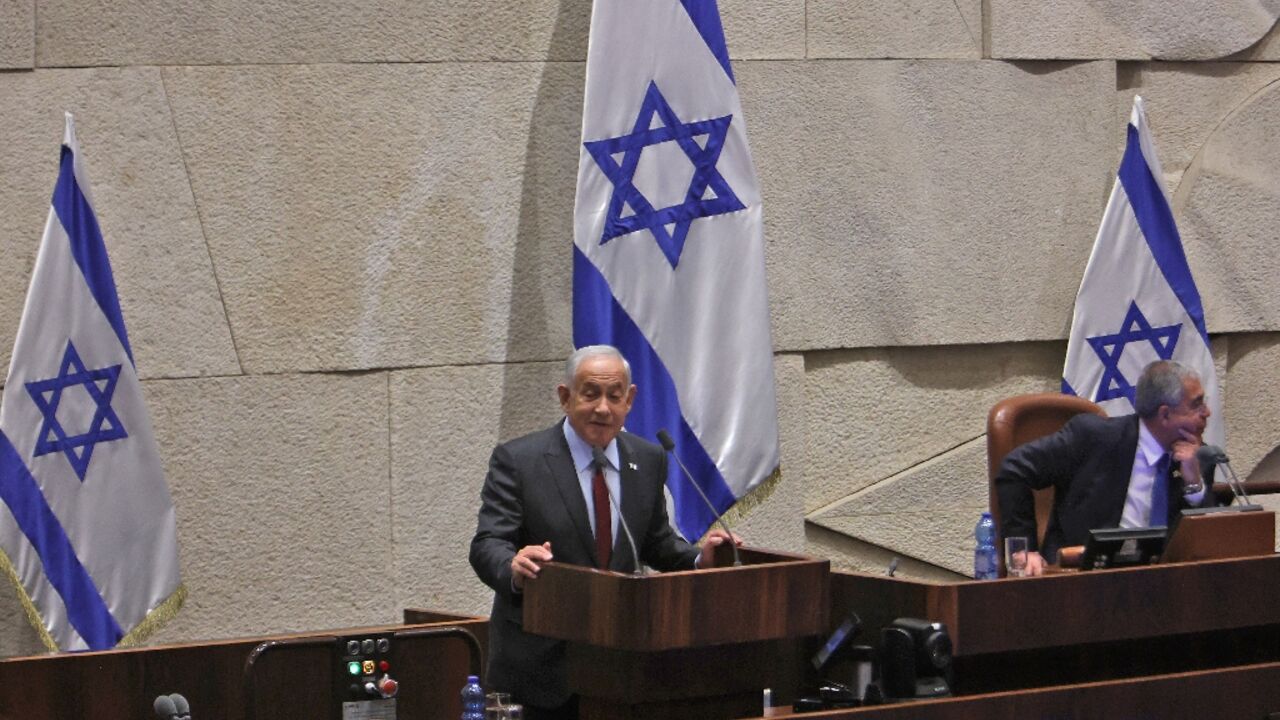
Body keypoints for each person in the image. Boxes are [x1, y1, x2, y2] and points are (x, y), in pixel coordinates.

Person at [469, 345, 738, 720]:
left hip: (619, 669)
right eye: (590, 393)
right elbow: (487, 544)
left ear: (630, 400)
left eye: (614, 396)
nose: (603, 408)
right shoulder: (520, 461)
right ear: (565, 397)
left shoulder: (647, 459)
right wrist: (513, 568)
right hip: (539, 671)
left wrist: (698, 558)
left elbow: (654, 541)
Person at [995, 360, 1217, 576]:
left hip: (1160, 585)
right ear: (1165, 414)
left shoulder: (1199, 459)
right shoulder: (1094, 437)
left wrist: (1194, 483)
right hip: (1081, 577)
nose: (1207, 413)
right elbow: (1014, 470)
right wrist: (1023, 550)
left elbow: (1208, 547)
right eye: (1196, 405)